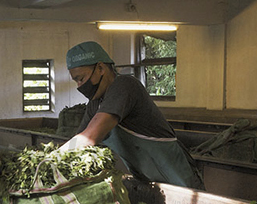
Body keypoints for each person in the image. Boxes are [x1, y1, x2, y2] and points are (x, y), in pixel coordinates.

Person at [61, 40, 205, 191]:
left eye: (81, 79)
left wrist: (54, 158)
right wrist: (59, 153)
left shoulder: (125, 86)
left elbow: (91, 136)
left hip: (178, 180)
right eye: (76, 81)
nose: (79, 86)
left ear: (101, 68)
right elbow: (79, 138)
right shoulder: (95, 103)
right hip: (149, 181)